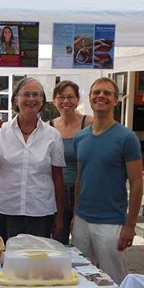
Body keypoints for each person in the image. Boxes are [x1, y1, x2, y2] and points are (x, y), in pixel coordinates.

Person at [58, 77, 143, 288]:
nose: (101, 96)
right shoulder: (81, 137)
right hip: (82, 218)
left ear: (115, 100)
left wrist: (130, 225)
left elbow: (137, 182)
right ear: (90, 98)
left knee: (113, 278)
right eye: (96, 92)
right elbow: (81, 176)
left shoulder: (126, 137)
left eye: (107, 93)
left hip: (111, 222)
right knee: (80, 273)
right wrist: (74, 216)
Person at [0, 77, 65, 288]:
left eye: (37, 95)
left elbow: (57, 177)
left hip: (40, 208)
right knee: (12, 262)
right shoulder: (2, 131)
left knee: (37, 264)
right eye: (26, 94)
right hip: (8, 207)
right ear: (16, 98)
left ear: (43, 101)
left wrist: (60, 214)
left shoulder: (52, 135)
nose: (32, 99)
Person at [49, 80, 93, 245]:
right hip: (56, 192)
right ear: (54, 101)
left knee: (83, 243)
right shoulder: (50, 127)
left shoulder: (89, 124)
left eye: (70, 97)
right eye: (61, 97)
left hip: (83, 191)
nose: (65, 101)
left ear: (77, 99)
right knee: (58, 241)